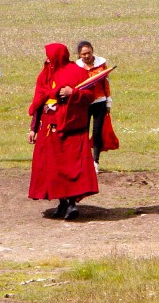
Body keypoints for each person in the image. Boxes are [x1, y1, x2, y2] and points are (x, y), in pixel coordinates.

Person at [28, 43, 105, 219]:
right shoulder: (45, 74)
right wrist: (33, 128)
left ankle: (71, 204)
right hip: (49, 129)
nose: (47, 59)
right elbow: (39, 100)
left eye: (50, 56)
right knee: (53, 168)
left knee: (70, 167)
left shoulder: (76, 72)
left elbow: (89, 96)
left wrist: (73, 92)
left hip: (70, 128)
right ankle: (61, 203)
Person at [74, 41, 119, 165]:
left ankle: (95, 161)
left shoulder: (101, 64)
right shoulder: (76, 67)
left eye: (88, 53)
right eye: (83, 54)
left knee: (97, 133)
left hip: (100, 101)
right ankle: (83, 160)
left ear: (92, 52)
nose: (87, 56)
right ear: (79, 55)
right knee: (83, 132)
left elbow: (106, 83)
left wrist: (108, 102)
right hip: (84, 104)